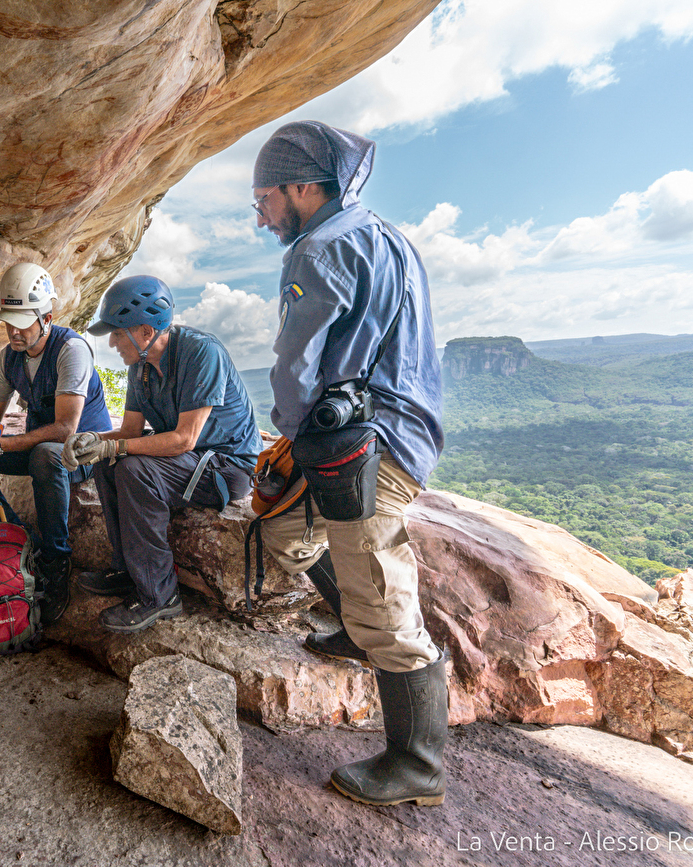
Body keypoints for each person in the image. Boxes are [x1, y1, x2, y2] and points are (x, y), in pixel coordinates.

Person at [251, 121, 448, 806]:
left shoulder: (318, 249)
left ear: (304, 187)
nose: (262, 214)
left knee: (383, 598)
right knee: (282, 533)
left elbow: (296, 365)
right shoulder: (387, 237)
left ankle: (417, 763)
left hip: (363, 446)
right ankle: (355, 627)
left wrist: (289, 431)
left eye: (266, 197)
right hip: (384, 430)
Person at [63, 275, 261, 634]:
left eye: (118, 332)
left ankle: (160, 595)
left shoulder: (202, 352)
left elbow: (185, 438)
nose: (112, 342)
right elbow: (129, 434)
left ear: (144, 331)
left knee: (135, 470)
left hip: (227, 465)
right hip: (190, 459)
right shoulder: (140, 367)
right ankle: (127, 570)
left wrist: (116, 447)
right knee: (109, 464)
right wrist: (91, 441)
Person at [0, 263, 111, 625]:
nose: (13, 332)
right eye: (8, 322)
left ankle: (55, 561)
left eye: (23, 322)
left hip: (80, 452)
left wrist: (0, 446)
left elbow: (66, 429)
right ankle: (15, 535)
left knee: (48, 456)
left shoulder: (71, 350)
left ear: (47, 318)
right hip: (36, 450)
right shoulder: (11, 357)